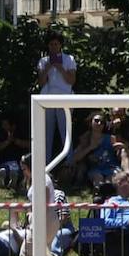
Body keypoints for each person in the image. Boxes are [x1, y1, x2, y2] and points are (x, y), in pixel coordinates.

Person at [36, 33, 77, 161]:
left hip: (64, 99)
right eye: (51, 44)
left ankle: (69, 164)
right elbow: (41, 83)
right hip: (47, 100)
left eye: (56, 44)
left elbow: (71, 80)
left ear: (60, 45)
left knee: (65, 132)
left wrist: (60, 68)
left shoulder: (69, 59)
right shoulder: (43, 61)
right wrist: (48, 67)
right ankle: (45, 164)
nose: (54, 46)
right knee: (47, 133)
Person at [69, 111, 128, 189]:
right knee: (98, 178)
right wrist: (90, 147)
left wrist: (120, 147)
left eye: (102, 122)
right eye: (96, 121)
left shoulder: (110, 138)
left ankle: (108, 192)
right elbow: (75, 157)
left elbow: (120, 152)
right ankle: (99, 193)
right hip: (95, 168)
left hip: (110, 166)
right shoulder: (85, 138)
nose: (99, 123)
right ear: (90, 122)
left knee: (109, 180)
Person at [0, 118, 31, 192]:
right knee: (5, 170)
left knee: (16, 170)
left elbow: (29, 144)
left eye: (6, 124)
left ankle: (13, 181)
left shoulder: (21, 133)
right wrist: (7, 141)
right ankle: (2, 180)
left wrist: (15, 140)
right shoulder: (0, 134)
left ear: (13, 126)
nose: (3, 126)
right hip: (4, 161)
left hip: (18, 162)